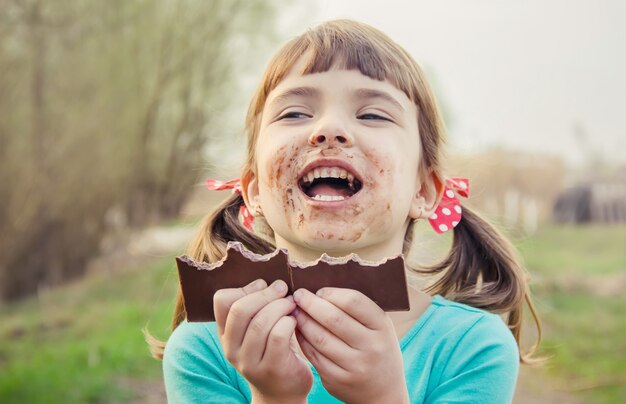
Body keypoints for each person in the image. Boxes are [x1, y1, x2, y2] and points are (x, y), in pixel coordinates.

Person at [149, 19, 541, 403]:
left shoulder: (471, 347)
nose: (330, 128)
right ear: (253, 190)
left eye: (372, 114)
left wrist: (382, 397)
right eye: (295, 113)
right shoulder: (204, 348)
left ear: (423, 190)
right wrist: (275, 397)